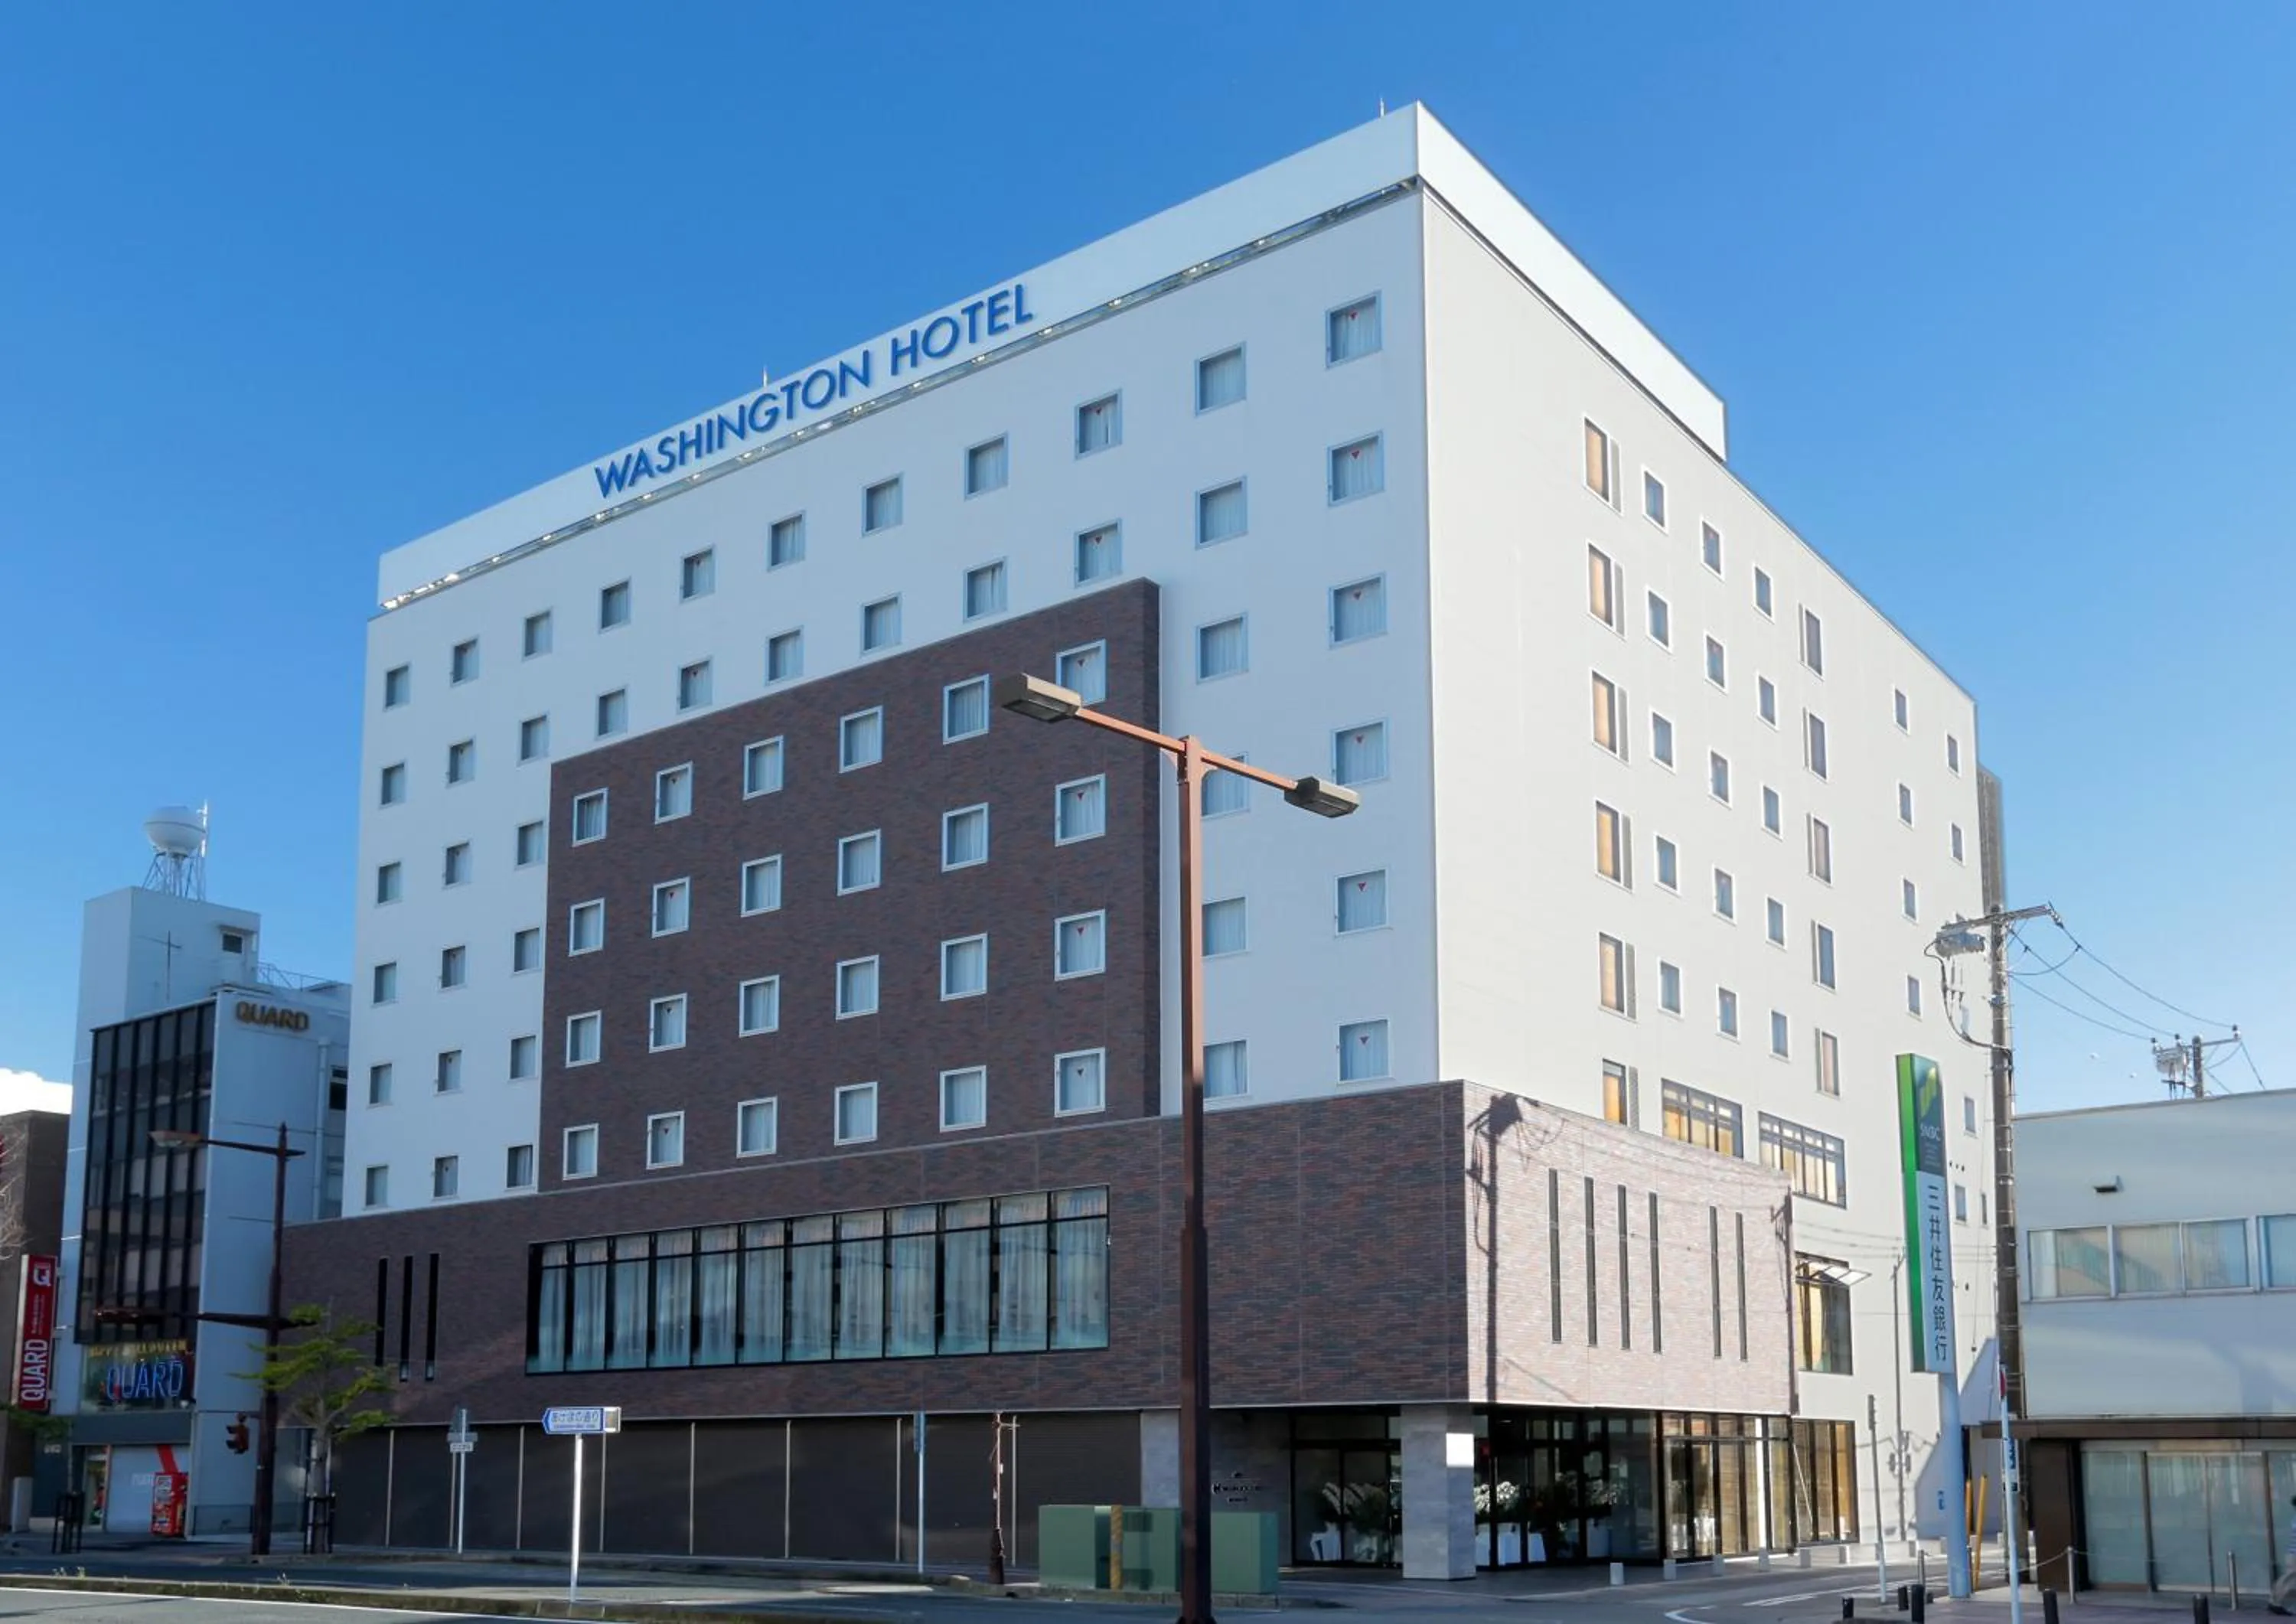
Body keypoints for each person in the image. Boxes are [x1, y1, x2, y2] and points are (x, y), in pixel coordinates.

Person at [2272, 1493, 2296, 1615]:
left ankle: (2275, 1601)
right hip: (2295, 1555)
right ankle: (2275, 1602)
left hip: (2292, 1554)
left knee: (2289, 1579)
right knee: (2289, 1580)